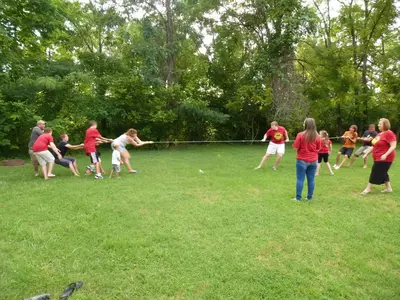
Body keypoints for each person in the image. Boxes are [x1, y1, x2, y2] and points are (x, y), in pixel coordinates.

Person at [360, 118, 397, 194]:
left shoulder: (389, 133)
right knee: (383, 172)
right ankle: (389, 188)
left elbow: (393, 146)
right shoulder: (379, 134)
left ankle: (368, 188)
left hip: (386, 157)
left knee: (375, 170)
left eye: (380, 124)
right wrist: (367, 153)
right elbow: (374, 146)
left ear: (385, 125)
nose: (378, 125)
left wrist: (385, 154)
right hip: (377, 156)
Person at [292, 118, 321, 201]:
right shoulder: (318, 136)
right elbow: (318, 148)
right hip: (314, 160)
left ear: (306, 124)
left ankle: (298, 198)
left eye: (304, 123)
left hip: (302, 160)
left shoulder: (300, 135)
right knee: (311, 179)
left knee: (300, 179)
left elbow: (295, 147)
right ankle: (309, 197)